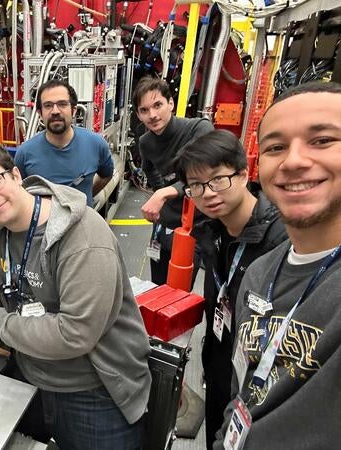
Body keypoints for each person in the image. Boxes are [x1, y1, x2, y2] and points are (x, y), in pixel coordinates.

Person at [0, 139, 151, 449]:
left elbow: (76, 334)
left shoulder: (82, 237)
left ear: (16, 176)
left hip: (93, 392)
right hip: (30, 377)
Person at [214, 81, 341, 449]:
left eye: (322, 140)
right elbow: (246, 383)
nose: (294, 160)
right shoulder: (260, 274)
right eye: (276, 147)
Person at [173, 129, 286, 448]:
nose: (207, 193)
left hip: (261, 385)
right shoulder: (214, 231)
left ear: (243, 173)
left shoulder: (279, 242)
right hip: (222, 364)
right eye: (195, 185)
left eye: (217, 179)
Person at [133, 76, 214, 284]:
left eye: (157, 105)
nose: (152, 115)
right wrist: (162, 192)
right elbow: (149, 169)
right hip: (165, 223)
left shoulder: (199, 129)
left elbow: (203, 174)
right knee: (158, 284)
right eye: (144, 110)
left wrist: (164, 193)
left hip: (197, 222)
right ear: (138, 115)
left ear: (171, 103)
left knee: (180, 288)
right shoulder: (145, 142)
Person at [15, 79, 114, 206]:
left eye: (62, 104)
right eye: (48, 105)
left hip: (82, 223)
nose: (55, 111)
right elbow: (19, 193)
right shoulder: (25, 153)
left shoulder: (96, 144)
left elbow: (106, 175)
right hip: (43, 225)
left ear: (73, 110)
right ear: (40, 113)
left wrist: (83, 199)